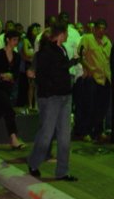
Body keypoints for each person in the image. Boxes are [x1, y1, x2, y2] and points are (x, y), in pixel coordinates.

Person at [28, 22, 79, 181]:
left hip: (65, 96)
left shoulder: (62, 49)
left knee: (65, 136)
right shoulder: (45, 52)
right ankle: (34, 163)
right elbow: (48, 74)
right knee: (46, 134)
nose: (68, 36)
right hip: (52, 98)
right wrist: (73, 62)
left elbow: (61, 69)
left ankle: (62, 171)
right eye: (66, 33)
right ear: (61, 34)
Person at [76, 18, 112, 142]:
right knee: (89, 107)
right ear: (94, 29)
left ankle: (98, 131)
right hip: (92, 79)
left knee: (102, 108)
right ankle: (85, 132)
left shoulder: (107, 41)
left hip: (105, 79)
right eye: (99, 28)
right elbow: (80, 56)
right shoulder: (87, 39)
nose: (101, 31)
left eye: (103, 28)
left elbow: (109, 59)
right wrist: (88, 69)